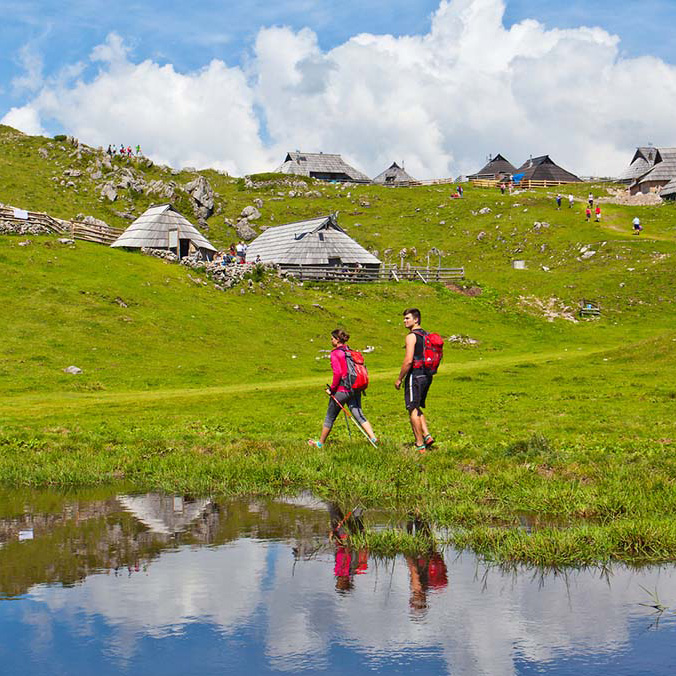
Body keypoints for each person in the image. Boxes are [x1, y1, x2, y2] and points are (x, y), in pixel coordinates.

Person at [309, 329, 377, 448]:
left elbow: (338, 373)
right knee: (358, 413)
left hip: (341, 390)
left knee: (330, 416)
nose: (331, 341)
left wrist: (332, 389)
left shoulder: (335, 353)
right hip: (354, 388)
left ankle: (320, 444)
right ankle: (373, 438)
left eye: (332, 338)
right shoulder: (349, 351)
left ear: (337, 339)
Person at [395, 308, 436, 453]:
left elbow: (408, 361)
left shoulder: (411, 336)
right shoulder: (426, 335)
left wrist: (400, 378)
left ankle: (419, 445)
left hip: (415, 375)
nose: (404, 321)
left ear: (416, 319)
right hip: (427, 375)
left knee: (412, 408)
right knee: (417, 406)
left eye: (407, 318)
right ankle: (426, 435)